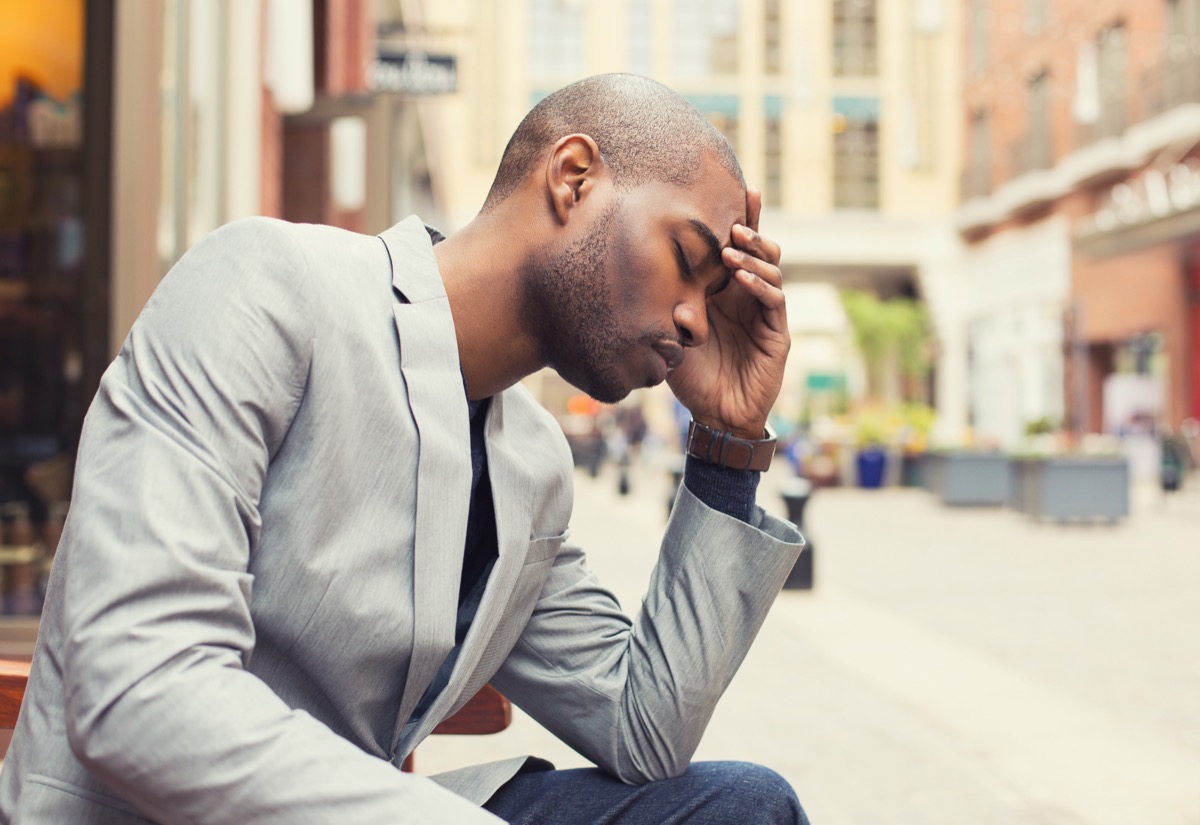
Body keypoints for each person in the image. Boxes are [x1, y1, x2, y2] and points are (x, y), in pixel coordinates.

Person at [0, 74, 808, 824]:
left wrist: (728, 440)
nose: (700, 320)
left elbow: (646, 735)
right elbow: (139, 689)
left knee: (744, 806)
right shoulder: (267, 287)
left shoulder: (530, 465)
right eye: (688, 260)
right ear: (573, 177)